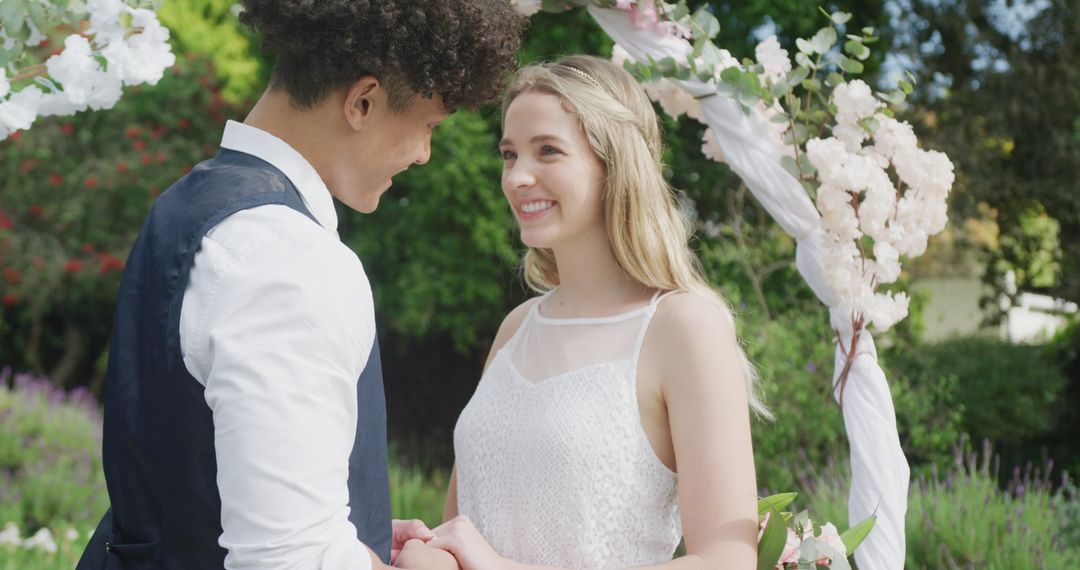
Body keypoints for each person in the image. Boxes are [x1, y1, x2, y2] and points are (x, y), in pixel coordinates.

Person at [75, 2, 523, 569]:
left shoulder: (189, 204)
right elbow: (287, 559)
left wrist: (348, 537)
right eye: (429, 126)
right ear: (363, 101)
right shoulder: (290, 262)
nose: (423, 154)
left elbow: (192, 485)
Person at [424, 55, 768, 569]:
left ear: (615, 164)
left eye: (548, 151)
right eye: (509, 154)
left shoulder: (684, 326)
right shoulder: (517, 328)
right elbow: (460, 534)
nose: (517, 177)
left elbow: (726, 560)